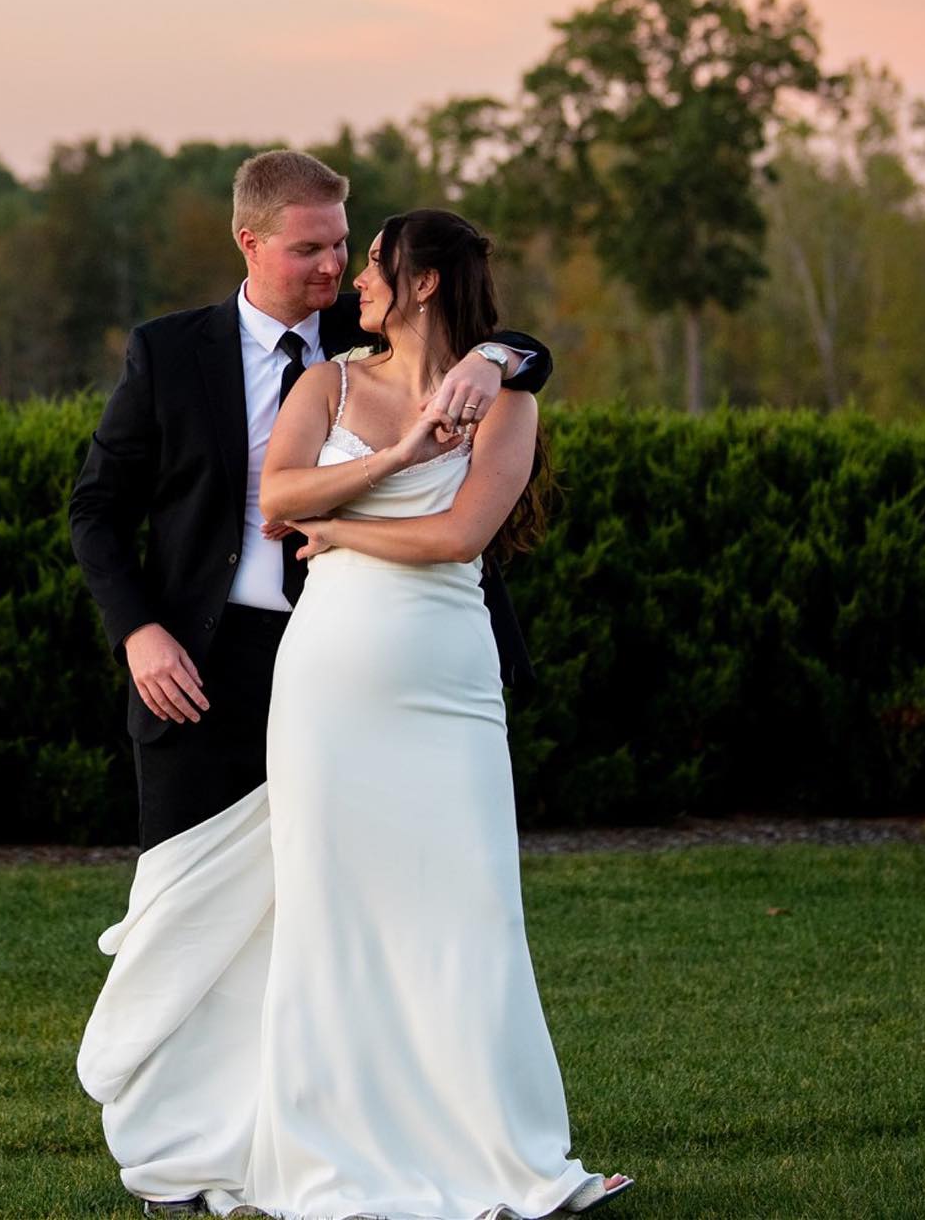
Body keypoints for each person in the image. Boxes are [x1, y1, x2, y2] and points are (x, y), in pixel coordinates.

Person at [70, 153, 554, 1210]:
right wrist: (141, 634)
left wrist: (504, 358)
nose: (336, 265)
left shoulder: (366, 337)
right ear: (251, 243)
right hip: (204, 664)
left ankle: (335, 1129)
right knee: (187, 915)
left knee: (347, 916)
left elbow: (500, 335)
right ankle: (176, 1147)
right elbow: (96, 510)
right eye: (312, 248)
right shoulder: (170, 352)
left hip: (363, 663)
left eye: (345, 246)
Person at [245, 208, 632, 1216]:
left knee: (469, 910)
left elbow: (460, 535)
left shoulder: (508, 401)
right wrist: (396, 458)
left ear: (421, 283)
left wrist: (342, 530)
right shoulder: (326, 380)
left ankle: (501, 1150)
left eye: (372, 265)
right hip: (326, 687)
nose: (354, 281)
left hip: (447, 684)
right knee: (332, 912)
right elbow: (276, 495)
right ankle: (335, 1150)